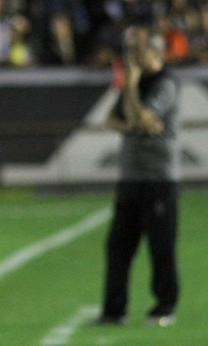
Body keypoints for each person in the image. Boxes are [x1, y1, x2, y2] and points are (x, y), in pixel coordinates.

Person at [99, 25, 181, 327]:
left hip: (159, 179)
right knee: (118, 246)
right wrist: (133, 124)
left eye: (137, 50)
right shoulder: (136, 84)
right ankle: (114, 310)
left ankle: (165, 307)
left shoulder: (166, 84)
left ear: (155, 52)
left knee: (161, 247)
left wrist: (131, 85)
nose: (131, 56)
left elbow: (144, 117)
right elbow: (114, 119)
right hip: (130, 179)